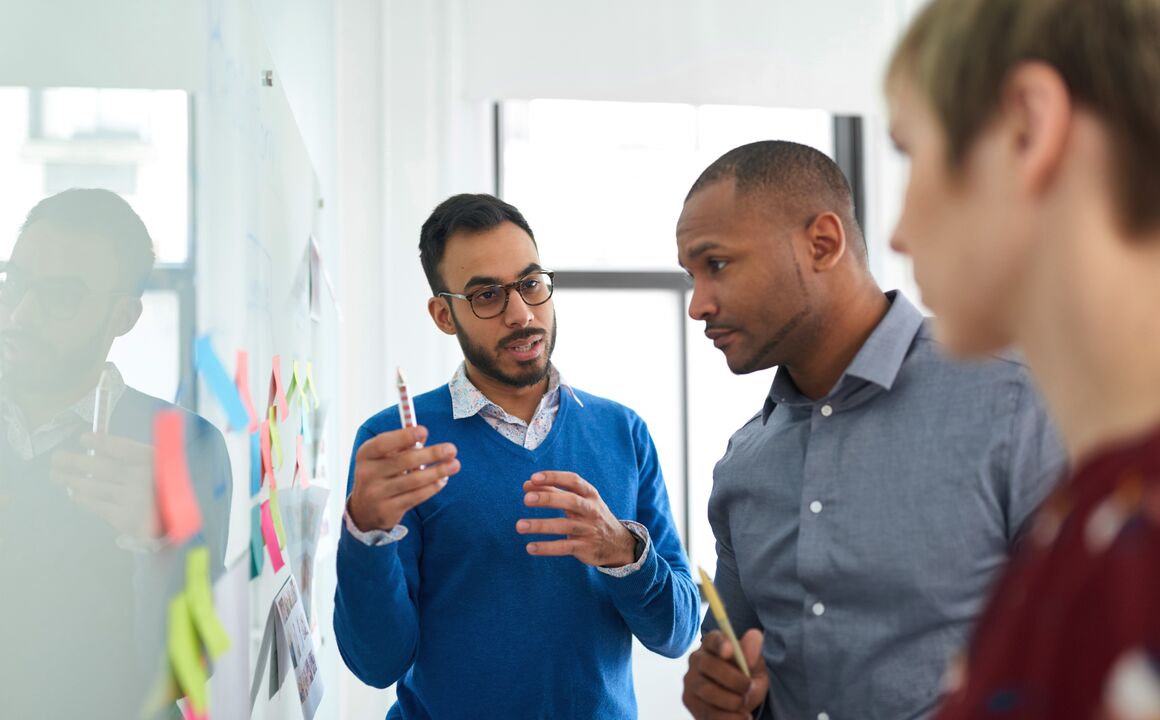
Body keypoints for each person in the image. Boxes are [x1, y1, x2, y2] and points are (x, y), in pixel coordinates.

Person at [675, 141, 1066, 720]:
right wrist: (721, 694)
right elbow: (737, 661)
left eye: (718, 264)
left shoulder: (1018, 400)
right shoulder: (743, 463)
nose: (698, 304)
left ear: (822, 243)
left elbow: (1099, 653)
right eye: (690, 275)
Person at [885, 1, 1160, 718]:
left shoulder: (1135, 545)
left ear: (1026, 129)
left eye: (909, 152)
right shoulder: (1094, 510)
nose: (898, 233)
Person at [334, 193, 699, 719]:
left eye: (531, 284)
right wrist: (366, 531)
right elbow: (377, 662)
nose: (521, 314)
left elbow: (677, 632)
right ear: (444, 314)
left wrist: (622, 550)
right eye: (486, 295)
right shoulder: (396, 444)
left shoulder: (623, 431)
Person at [0, 188, 232, 719]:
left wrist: (162, 541)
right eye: (15, 283)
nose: (21, 313)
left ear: (122, 316)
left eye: (61, 296)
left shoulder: (183, 445)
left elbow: (188, 665)